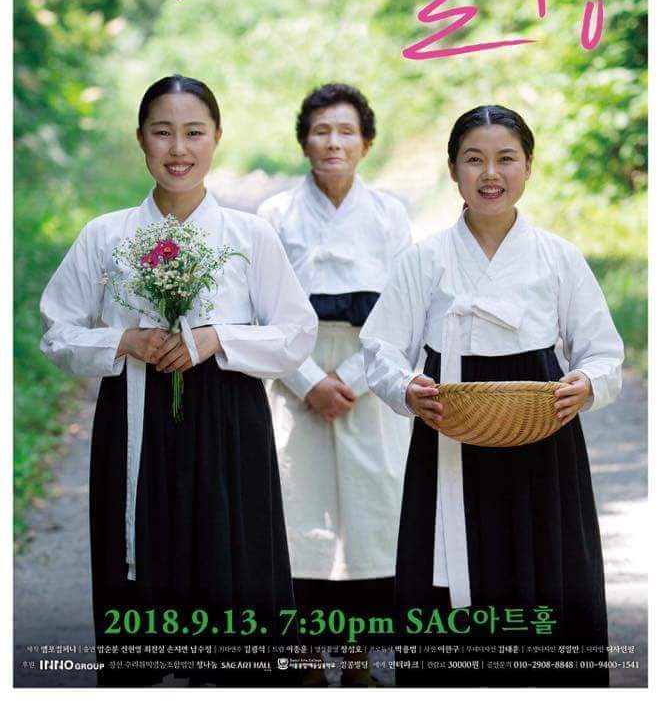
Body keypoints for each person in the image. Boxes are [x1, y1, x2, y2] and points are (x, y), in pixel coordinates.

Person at [40, 74, 318, 687]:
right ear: (140, 138)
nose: (178, 148)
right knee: (141, 572)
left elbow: (298, 333)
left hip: (230, 426)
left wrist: (220, 338)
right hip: (135, 422)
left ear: (217, 137)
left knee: (233, 570)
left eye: (194, 132)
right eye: (162, 132)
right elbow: (57, 332)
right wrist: (124, 341)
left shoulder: (248, 236)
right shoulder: (106, 235)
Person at [360, 104, 624, 688]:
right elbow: (379, 348)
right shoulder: (425, 259)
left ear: (528, 166)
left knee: (545, 576)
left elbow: (603, 351)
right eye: (474, 159)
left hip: (542, 441)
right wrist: (406, 388)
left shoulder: (558, 257)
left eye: (506, 159)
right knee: (450, 578)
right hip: (449, 439)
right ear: (453, 169)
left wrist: (587, 385)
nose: (490, 174)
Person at [258, 83, 412, 687]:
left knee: (371, 518)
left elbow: (404, 310)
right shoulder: (274, 215)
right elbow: (260, 310)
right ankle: (302, 660)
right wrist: (306, 382)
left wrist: (349, 379)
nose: (333, 143)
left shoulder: (390, 215)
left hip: (367, 378)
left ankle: (356, 660)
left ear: (366, 143)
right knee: (298, 512)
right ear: (304, 142)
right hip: (294, 376)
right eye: (321, 131)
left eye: (347, 131)